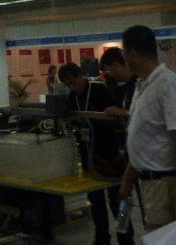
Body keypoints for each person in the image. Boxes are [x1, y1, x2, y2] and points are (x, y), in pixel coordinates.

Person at [119, 25, 176, 233]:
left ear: (133, 54)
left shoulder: (168, 84)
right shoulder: (142, 85)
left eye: (123, 52)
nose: (123, 58)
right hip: (151, 184)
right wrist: (127, 180)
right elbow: (143, 139)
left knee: (166, 238)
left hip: (166, 184)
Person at [59, 63, 133, 245]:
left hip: (110, 155)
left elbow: (115, 119)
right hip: (89, 158)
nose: (72, 86)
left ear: (81, 75)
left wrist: (94, 121)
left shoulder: (100, 90)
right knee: (96, 202)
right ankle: (101, 238)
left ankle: (126, 238)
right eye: (68, 84)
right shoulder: (71, 98)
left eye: (73, 81)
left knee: (119, 201)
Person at [99, 48, 138, 117]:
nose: (110, 75)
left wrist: (122, 112)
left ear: (115, 65)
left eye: (109, 70)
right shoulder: (127, 86)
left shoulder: (140, 85)